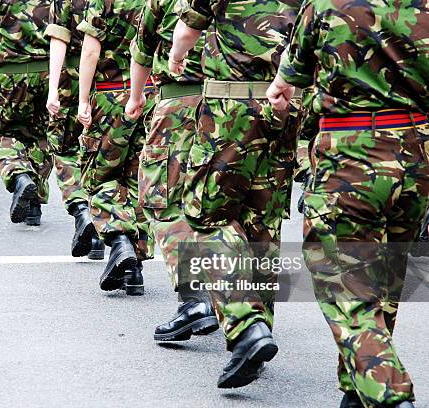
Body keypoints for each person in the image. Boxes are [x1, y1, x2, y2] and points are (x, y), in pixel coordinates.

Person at [267, 0, 428, 405]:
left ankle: (388, 392)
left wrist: (282, 98)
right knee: (386, 278)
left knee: (345, 282)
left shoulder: (324, 3)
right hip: (418, 156)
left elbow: (289, 80)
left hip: (350, 153)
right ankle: (355, 391)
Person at [169, 0, 300, 388]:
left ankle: (247, 326)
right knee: (264, 223)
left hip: (231, 105)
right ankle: (257, 340)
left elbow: (187, 28)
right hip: (286, 102)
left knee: (205, 215)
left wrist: (178, 58)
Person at [124, 0, 218, 339]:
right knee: (229, 204)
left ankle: (194, 299)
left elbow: (143, 49)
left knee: (163, 197)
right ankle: (250, 316)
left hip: (177, 104)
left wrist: (135, 98)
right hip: (232, 106)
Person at [76, 0, 155, 296]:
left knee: (100, 173)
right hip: (149, 92)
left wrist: (84, 99)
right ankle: (134, 267)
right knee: (140, 177)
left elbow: (90, 49)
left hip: (110, 94)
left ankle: (120, 240)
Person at [0, 0, 52, 226]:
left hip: (11, 73)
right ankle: (34, 205)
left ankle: (19, 175)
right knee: (42, 136)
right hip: (50, 72)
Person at [45, 0, 105, 258]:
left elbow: (59, 40)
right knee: (103, 156)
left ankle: (82, 209)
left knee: (65, 148)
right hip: (112, 81)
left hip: (74, 76)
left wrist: (53, 89)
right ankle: (106, 232)